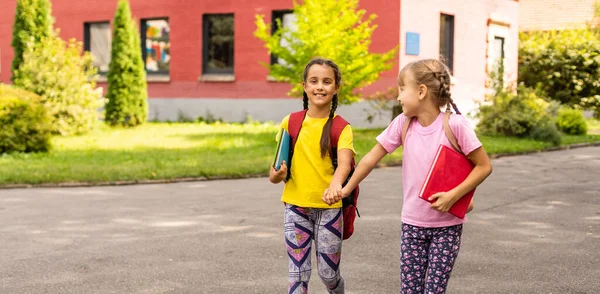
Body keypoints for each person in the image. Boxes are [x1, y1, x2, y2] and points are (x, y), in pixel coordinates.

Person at [324, 58, 492, 293]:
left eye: (403, 89)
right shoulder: (403, 123)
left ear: (421, 91)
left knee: (433, 291)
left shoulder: (455, 125)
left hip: (447, 227)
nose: (398, 96)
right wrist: (347, 188)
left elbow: (484, 166)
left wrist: (453, 196)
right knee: (409, 290)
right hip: (412, 224)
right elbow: (371, 157)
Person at [270, 57, 355, 294]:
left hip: (328, 210)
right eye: (314, 81)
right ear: (305, 86)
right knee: (298, 274)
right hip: (295, 208)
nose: (320, 86)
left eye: (327, 82)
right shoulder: (291, 122)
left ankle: (337, 290)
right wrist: (278, 174)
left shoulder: (342, 127)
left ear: (336, 87)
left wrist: (335, 186)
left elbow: (345, 165)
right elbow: (274, 173)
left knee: (328, 274)